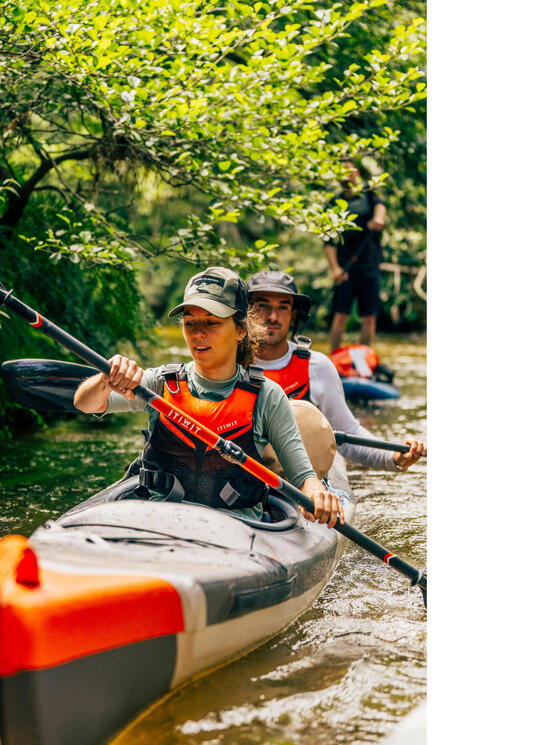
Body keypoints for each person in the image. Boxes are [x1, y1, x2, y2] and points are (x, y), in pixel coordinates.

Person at [74, 267, 345, 526]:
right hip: (159, 521)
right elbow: (85, 403)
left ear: (241, 330)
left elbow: (304, 478)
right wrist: (106, 378)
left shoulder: (266, 396)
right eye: (190, 323)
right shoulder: (160, 384)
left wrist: (317, 493)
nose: (198, 333)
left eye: (212, 323)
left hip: (237, 531)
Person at [247, 270, 426, 472]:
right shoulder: (228, 364)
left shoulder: (317, 366)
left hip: (303, 484)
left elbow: (348, 433)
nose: (273, 316)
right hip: (248, 483)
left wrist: (394, 457)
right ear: (247, 312)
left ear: (293, 315)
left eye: (283, 307)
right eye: (263, 306)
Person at [324, 160, 386, 352]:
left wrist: (378, 219)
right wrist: (335, 268)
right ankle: (333, 358)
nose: (345, 174)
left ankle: (365, 357)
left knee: (369, 316)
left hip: (370, 264)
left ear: (356, 172)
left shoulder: (370, 192)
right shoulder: (333, 203)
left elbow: (380, 207)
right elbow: (328, 241)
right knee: (341, 314)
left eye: (348, 170)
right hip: (345, 268)